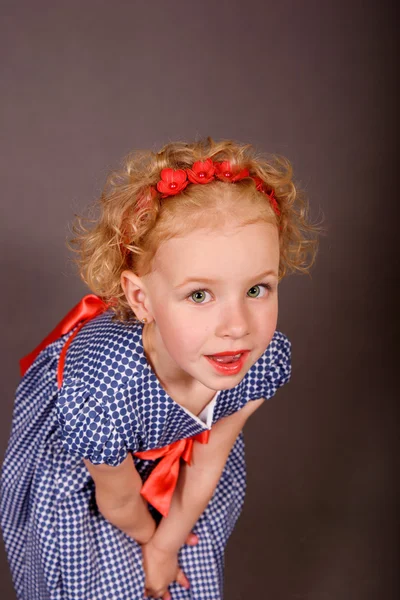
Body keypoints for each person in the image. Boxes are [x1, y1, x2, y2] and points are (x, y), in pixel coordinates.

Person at [0, 137, 321, 600]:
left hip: (176, 466)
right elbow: (119, 499)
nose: (236, 327)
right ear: (141, 299)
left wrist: (169, 543)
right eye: (199, 295)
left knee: (186, 561)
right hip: (99, 478)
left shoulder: (253, 360)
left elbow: (211, 458)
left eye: (257, 290)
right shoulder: (103, 394)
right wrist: (151, 542)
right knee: (98, 580)